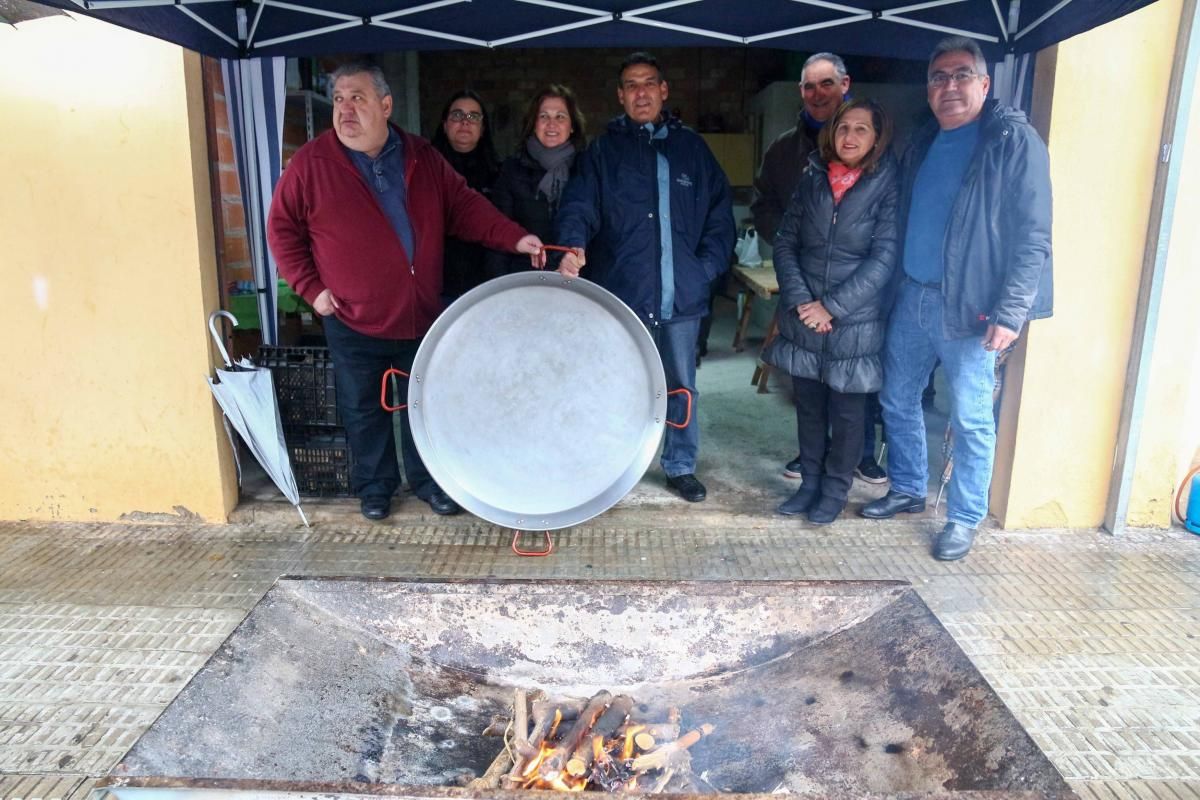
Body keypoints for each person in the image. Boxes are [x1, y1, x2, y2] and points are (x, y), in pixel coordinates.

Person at [267, 63, 545, 522]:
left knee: (425, 405)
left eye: (357, 97)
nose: (345, 109)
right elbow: (282, 230)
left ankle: (429, 482)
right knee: (362, 408)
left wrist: (515, 237)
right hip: (352, 317)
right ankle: (375, 487)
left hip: (419, 313)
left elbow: (467, 208)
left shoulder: (421, 156)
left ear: (385, 104)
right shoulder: (311, 164)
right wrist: (310, 288)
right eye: (338, 99)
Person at [860, 36, 1053, 561]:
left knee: (970, 418)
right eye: (939, 78)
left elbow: (1033, 236)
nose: (949, 86)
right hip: (913, 299)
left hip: (972, 309)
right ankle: (905, 489)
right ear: (928, 90)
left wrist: (1011, 312)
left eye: (961, 75)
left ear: (984, 83)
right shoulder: (922, 141)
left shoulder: (1012, 141)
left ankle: (964, 517)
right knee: (897, 399)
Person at [556, 52, 736, 503]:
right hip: (624, 293)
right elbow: (580, 205)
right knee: (620, 384)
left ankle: (679, 465)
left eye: (649, 83)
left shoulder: (692, 150)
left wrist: (706, 270)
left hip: (682, 296)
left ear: (663, 91)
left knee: (680, 385)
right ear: (620, 96)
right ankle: (618, 464)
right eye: (631, 85)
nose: (641, 92)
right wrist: (573, 245)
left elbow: (720, 216)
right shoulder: (603, 152)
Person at [749, 53, 888, 486]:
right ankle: (811, 462)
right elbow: (766, 206)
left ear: (844, 85)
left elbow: (884, 250)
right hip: (802, 285)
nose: (818, 93)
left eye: (826, 83)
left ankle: (858, 458)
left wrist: (835, 300)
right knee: (807, 383)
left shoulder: (879, 160)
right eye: (809, 86)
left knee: (851, 385)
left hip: (851, 296)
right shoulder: (783, 149)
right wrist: (799, 263)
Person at [764, 99, 898, 525]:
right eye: (843, 127)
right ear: (831, 132)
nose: (850, 137)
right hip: (806, 317)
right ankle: (810, 485)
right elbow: (785, 242)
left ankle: (835, 490)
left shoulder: (887, 184)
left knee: (846, 413)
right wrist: (804, 302)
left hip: (853, 321)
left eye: (862, 129)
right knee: (809, 407)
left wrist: (831, 307)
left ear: (877, 137)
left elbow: (884, 257)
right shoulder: (813, 177)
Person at [485, 84, 586, 278]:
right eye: (544, 116)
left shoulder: (586, 168)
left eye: (560, 117)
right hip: (524, 282)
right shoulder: (511, 170)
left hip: (575, 282)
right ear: (533, 123)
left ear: (572, 126)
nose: (551, 124)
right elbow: (498, 233)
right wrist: (499, 286)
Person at [432, 90, 502, 302]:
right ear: (444, 125)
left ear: (482, 129)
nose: (465, 122)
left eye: (473, 116)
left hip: (484, 287)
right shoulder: (423, 170)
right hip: (435, 286)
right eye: (457, 115)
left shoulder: (499, 175)